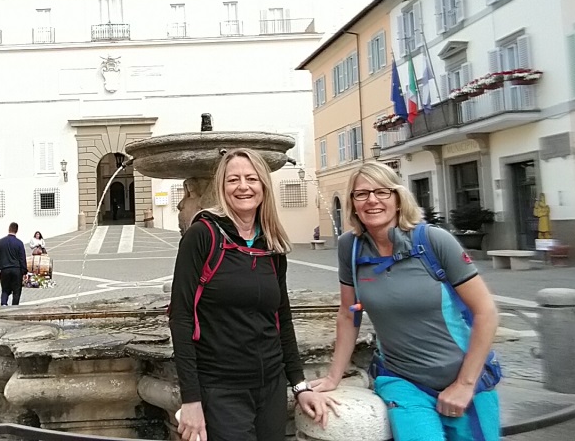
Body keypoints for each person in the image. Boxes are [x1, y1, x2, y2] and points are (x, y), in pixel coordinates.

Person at [311, 162, 500, 441]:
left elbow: (486, 311)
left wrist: (465, 383)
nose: (372, 200)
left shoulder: (433, 240)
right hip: (403, 381)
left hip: (466, 379)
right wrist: (333, 377)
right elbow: (349, 314)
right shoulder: (350, 247)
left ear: (398, 199)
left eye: (382, 192)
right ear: (353, 203)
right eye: (361, 194)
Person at [169, 148, 338, 441]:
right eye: (233, 179)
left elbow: (282, 317)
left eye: (251, 178)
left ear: (263, 185)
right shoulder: (202, 235)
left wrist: (299, 385)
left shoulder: (271, 244)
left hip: (270, 387)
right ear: (222, 188)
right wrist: (191, 400)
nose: (243, 186)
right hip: (221, 389)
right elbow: (181, 318)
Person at [0, 222, 28, 306]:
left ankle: (3, 305)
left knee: (5, 290)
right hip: (16, 270)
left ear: (9, 229)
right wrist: (24, 272)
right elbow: (22, 258)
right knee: (16, 291)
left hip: (4, 270)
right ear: (17, 230)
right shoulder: (19, 243)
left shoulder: (1, 242)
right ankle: (14, 308)